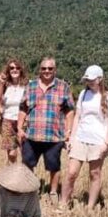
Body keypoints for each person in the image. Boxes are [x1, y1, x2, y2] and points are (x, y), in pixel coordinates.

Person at [60, 65, 108, 209]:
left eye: (92, 79)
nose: (89, 82)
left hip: (98, 141)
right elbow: (77, 117)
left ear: (100, 79)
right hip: (80, 138)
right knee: (71, 172)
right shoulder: (83, 94)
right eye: (87, 80)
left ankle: (90, 206)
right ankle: (63, 203)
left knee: (95, 174)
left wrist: (106, 143)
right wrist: (71, 138)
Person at [16, 57, 75, 200]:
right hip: (32, 134)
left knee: (54, 166)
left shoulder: (63, 87)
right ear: (39, 70)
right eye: (44, 68)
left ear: (55, 70)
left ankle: (53, 192)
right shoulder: (31, 86)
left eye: (50, 68)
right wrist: (19, 128)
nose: (47, 71)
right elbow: (23, 108)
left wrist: (68, 131)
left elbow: (70, 111)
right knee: (28, 164)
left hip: (54, 136)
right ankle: (29, 189)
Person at [0, 59, 28, 163]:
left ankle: (26, 176)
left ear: (21, 70)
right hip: (7, 121)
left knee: (25, 152)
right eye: (12, 68)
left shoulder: (27, 85)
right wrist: (1, 82)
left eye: (17, 68)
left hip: (23, 122)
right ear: (8, 70)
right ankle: (13, 174)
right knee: (12, 154)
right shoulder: (5, 86)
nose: (15, 70)